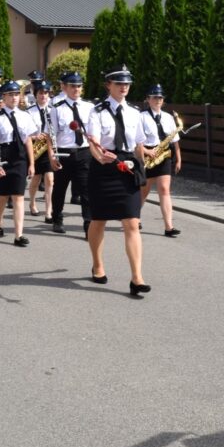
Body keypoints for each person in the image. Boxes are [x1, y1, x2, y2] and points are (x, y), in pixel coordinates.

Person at [85, 65, 152, 296]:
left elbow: (139, 145)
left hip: (127, 168)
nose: (124, 87)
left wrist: (142, 170)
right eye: (119, 84)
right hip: (103, 169)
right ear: (108, 85)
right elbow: (93, 144)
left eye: (127, 84)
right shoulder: (97, 112)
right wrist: (100, 157)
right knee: (99, 220)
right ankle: (98, 264)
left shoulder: (135, 113)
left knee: (132, 222)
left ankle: (136, 277)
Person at [0, 80, 37, 246]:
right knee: (3, 195)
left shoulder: (25, 115)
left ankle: (18, 235)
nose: (14, 98)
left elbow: (28, 140)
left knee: (19, 196)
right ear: (3, 97)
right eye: (10, 95)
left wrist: (32, 163)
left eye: (16, 94)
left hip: (20, 156)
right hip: (3, 154)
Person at [49, 71, 94, 236]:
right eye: (73, 86)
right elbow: (51, 135)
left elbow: (94, 134)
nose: (76, 89)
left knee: (86, 190)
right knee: (60, 188)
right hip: (63, 153)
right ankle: (57, 219)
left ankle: (88, 225)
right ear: (65, 87)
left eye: (79, 86)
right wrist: (52, 156)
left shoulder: (90, 108)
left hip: (83, 152)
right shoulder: (56, 109)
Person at [140, 84, 182, 237]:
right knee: (144, 191)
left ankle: (168, 227)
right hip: (148, 155)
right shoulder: (141, 117)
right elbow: (136, 141)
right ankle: (135, 217)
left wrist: (178, 159)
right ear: (148, 99)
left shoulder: (169, 117)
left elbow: (175, 140)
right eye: (155, 97)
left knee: (164, 190)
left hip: (164, 155)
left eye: (160, 97)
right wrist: (146, 151)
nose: (158, 100)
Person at [25, 81, 56, 219]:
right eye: (40, 93)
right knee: (36, 178)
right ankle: (32, 203)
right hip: (36, 148)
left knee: (50, 179)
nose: (43, 95)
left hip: (50, 148)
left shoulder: (54, 110)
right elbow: (24, 132)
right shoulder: (29, 112)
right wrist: (35, 136)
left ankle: (48, 211)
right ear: (35, 94)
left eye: (46, 93)